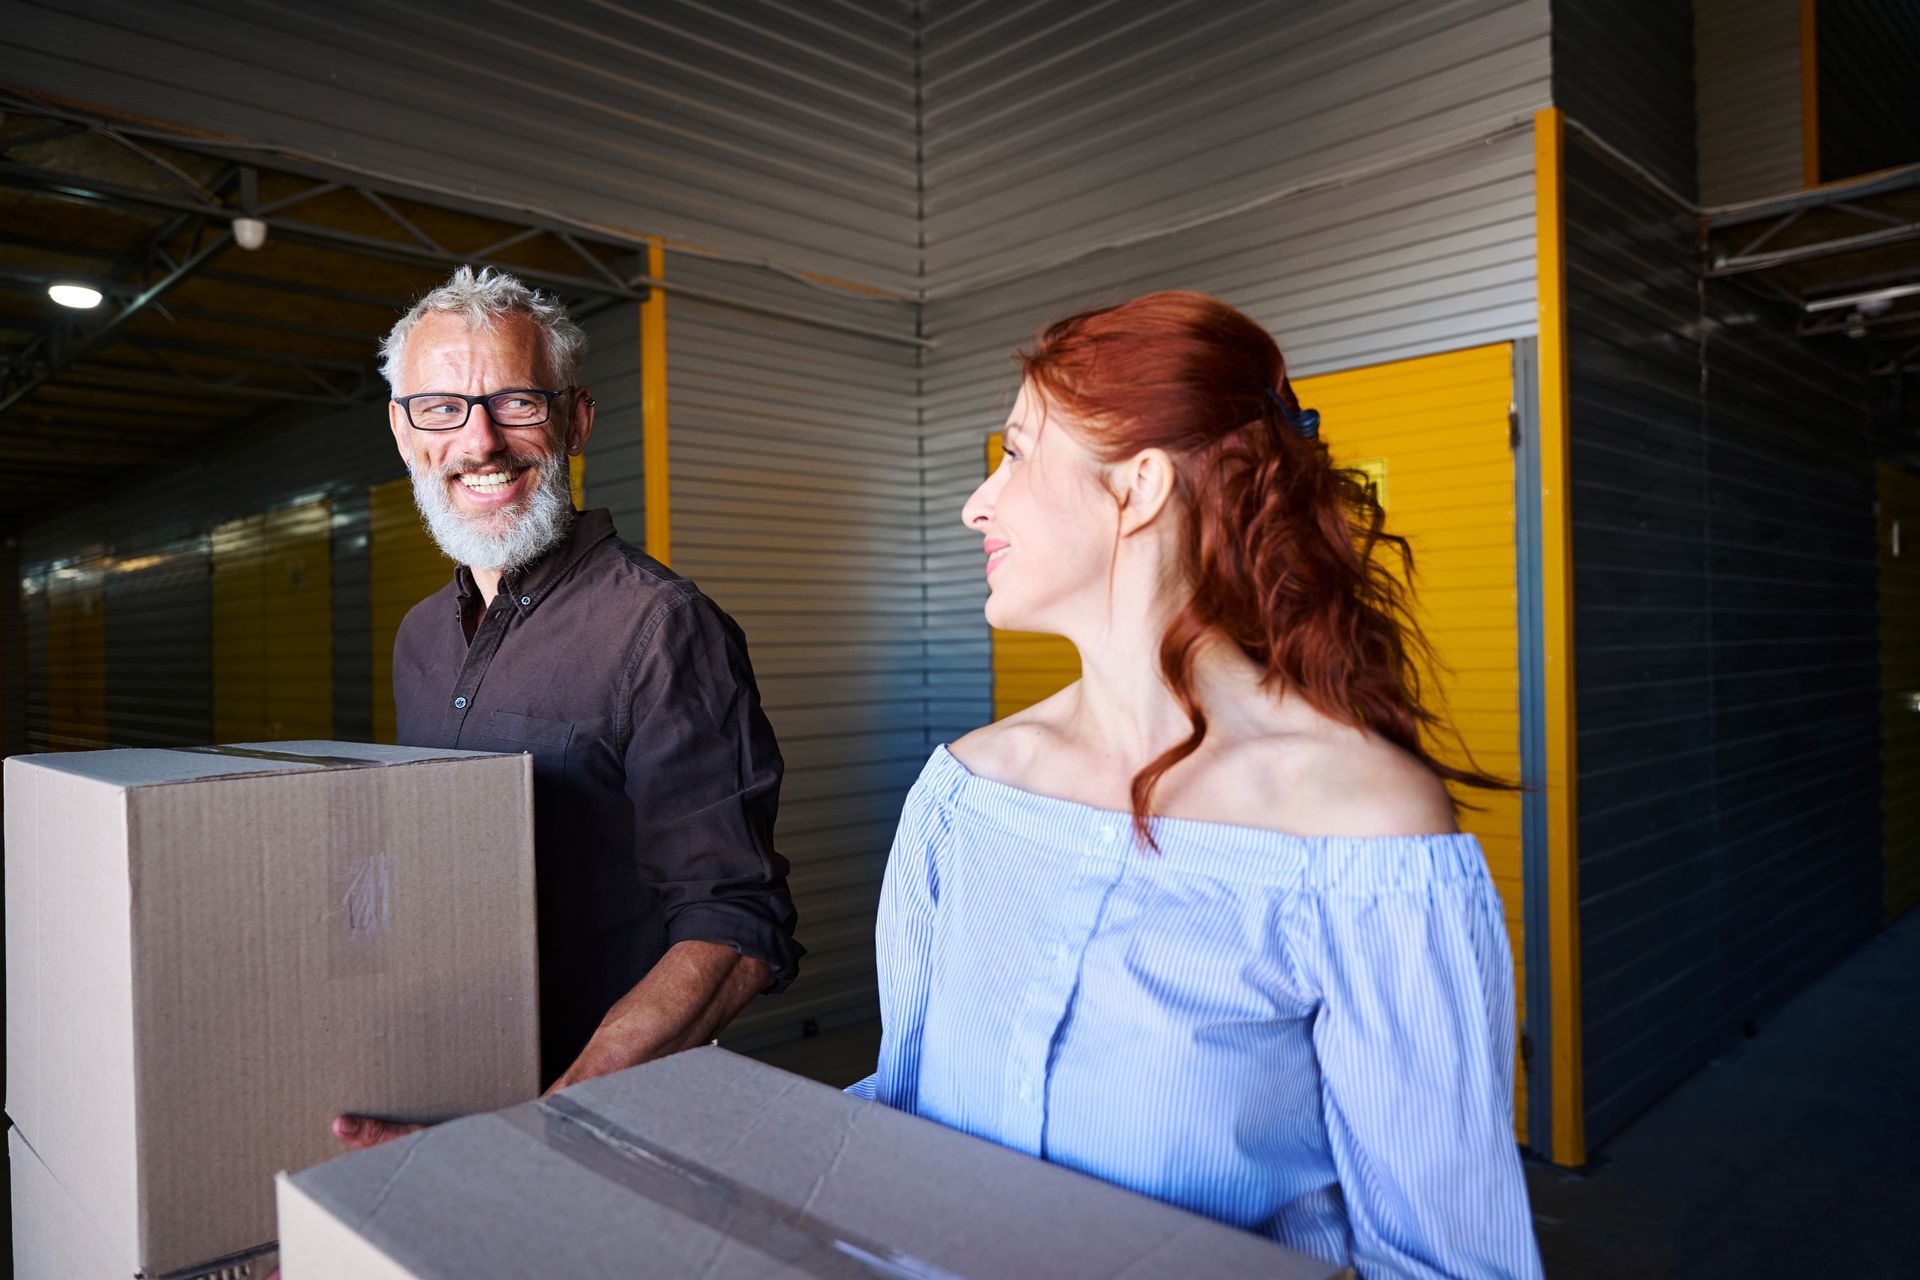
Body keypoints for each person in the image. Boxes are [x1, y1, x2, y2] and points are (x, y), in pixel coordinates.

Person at [849, 292, 1543, 1278]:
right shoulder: (963, 794)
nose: (978, 502)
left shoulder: (1363, 830)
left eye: (1014, 453)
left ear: (1136, 486)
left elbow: (1443, 1258)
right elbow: (898, 1117)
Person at [334, 266, 803, 1150]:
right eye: (439, 408)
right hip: (443, 1092)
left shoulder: (663, 627)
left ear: (576, 420)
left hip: (607, 1125)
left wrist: (545, 1125)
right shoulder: (420, 639)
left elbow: (736, 927)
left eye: (516, 403)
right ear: (404, 434)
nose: (480, 441)